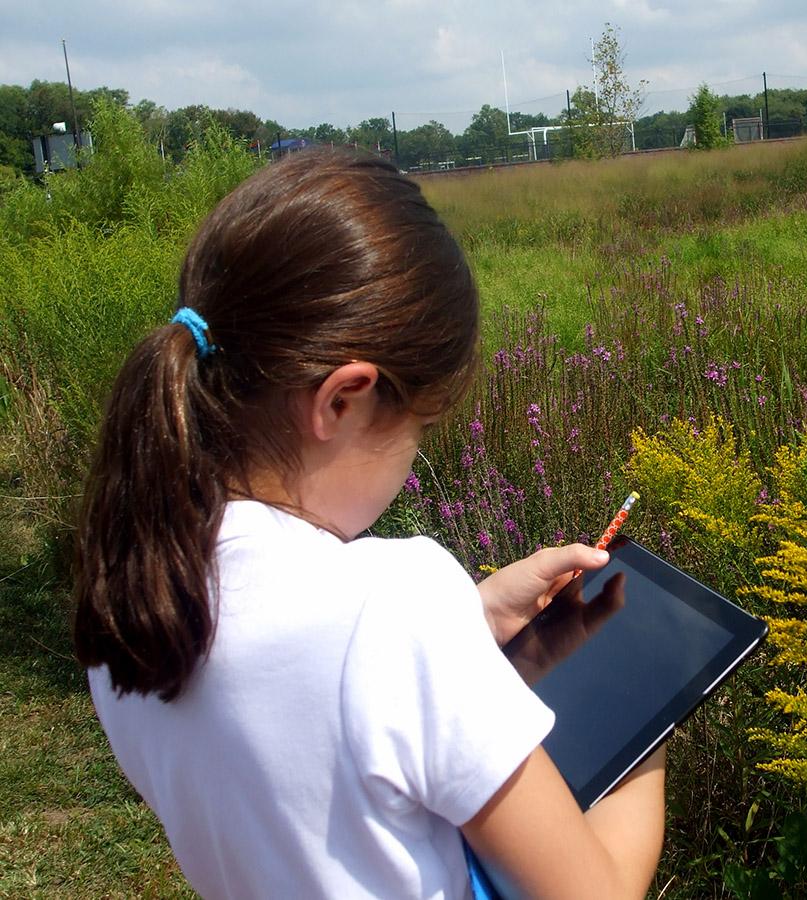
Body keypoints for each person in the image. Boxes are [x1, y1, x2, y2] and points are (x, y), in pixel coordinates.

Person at [73, 149, 665, 899]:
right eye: (419, 427)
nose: (412, 462)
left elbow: (314, 758)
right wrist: (647, 736)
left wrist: (468, 632)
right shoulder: (394, 604)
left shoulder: (137, 592)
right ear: (342, 401)